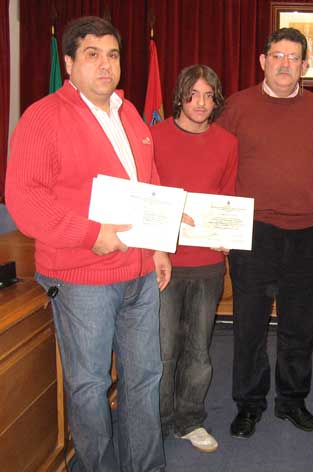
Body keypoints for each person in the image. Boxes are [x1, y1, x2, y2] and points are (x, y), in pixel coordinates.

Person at [6, 16, 169, 472]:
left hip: (139, 275)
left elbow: (149, 184)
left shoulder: (130, 112)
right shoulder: (43, 116)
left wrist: (157, 247)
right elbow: (25, 199)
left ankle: (146, 466)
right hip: (82, 278)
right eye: (93, 54)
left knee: (143, 379)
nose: (105, 65)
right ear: (70, 62)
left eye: (112, 54)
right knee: (90, 385)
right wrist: (91, 234)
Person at [217, 27, 313, 439]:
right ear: (262, 61)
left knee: (301, 328)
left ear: (305, 65)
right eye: (277, 56)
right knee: (249, 327)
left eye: (293, 58)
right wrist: (222, 221)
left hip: (310, 236)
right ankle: (249, 405)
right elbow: (217, 165)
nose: (285, 64)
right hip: (254, 234)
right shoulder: (236, 107)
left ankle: (292, 401)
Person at [151, 65, 238, 453]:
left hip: (207, 264)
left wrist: (228, 235)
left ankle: (189, 419)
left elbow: (228, 197)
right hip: (163, 261)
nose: (201, 103)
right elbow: (146, 198)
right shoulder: (153, 138)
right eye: (193, 94)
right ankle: (156, 419)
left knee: (198, 349)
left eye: (208, 95)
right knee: (163, 349)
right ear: (179, 96)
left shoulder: (227, 142)